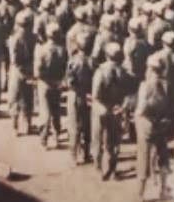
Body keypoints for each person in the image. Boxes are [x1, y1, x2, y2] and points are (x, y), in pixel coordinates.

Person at [135, 54, 171, 202]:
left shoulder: (145, 85)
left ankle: (140, 194)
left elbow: (142, 107)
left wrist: (136, 114)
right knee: (163, 156)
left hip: (147, 123)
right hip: (161, 123)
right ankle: (163, 189)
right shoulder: (166, 84)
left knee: (143, 156)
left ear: (149, 69)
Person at [91, 42, 128, 180]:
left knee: (98, 139)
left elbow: (96, 94)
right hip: (116, 108)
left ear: (106, 55)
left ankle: (98, 168)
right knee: (113, 142)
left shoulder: (100, 71)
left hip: (101, 108)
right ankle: (113, 170)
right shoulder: (123, 72)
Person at [34, 22, 68, 149]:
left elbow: (37, 71)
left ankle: (44, 138)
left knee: (45, 111)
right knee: (56, 110)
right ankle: (56, 136)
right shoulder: (62, 50)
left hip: (44, 83)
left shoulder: (41, 50)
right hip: (57, 83)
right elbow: (65, 68)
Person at [66, 31, 94, 165]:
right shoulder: (93, 61)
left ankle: (74, 155)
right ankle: (86, 153)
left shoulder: (74, 60)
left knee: (74, 126)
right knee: (87, 126)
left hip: (76, 94)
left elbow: (70, 80)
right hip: (89, 96)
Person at [9, 11, 35, 135]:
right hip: (29, 69)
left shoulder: (14, 38)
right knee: (28, 97)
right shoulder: (34, 37)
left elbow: (13, 58)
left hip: (17, 70)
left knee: (14, 97)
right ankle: (28, 123)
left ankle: (14, 124)